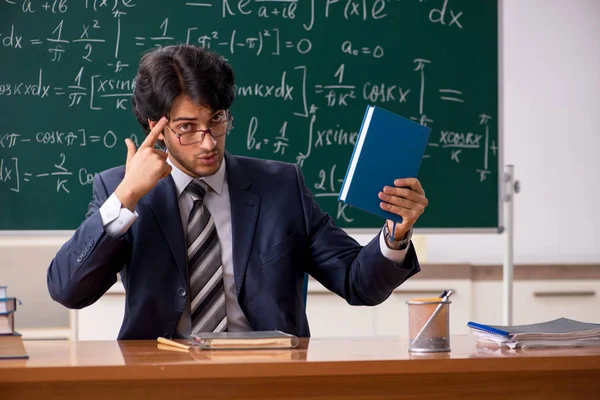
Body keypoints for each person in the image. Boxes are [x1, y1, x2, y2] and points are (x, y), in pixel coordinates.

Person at [47, 44, 429, 340]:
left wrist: (396, 233)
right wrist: (126, 196)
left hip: (268, 376)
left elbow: (357, 282)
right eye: (186, 127)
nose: (208, 141)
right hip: (163, 378)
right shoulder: (120, 189)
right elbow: (68, 291)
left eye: (216, 120)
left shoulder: (280, 186)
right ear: (156, 127)